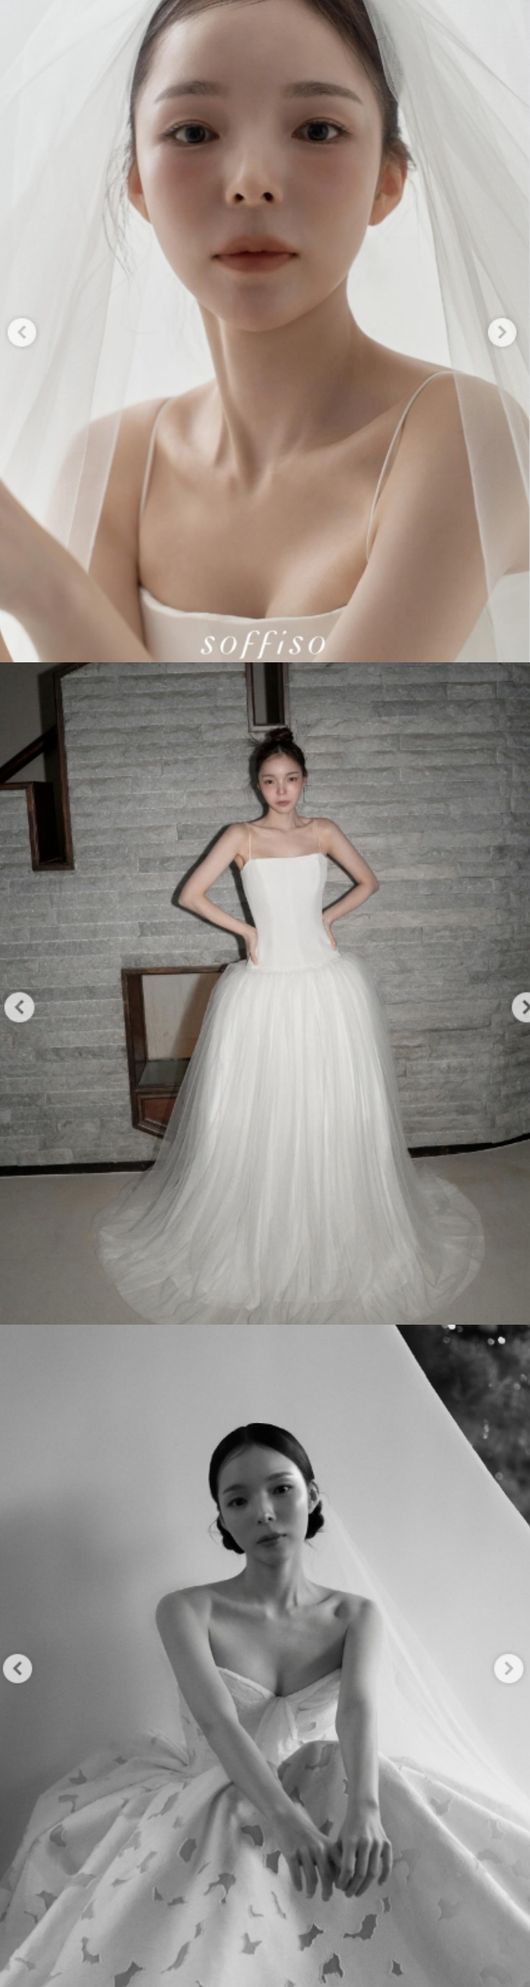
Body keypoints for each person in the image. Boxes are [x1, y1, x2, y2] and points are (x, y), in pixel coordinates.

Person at [0, 0, 527, 665]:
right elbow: (88, 729)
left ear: (388, 181)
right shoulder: (110, 468)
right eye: (194, 132)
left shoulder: (467, 439)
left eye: (317, 129)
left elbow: (331, 732)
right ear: (138, 184)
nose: (252, 183)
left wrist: (46, 590)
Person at [1, 1420, 528, 1985]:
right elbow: (218, 1722)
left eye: (281, 1489)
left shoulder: (355, 1615)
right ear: (222, 1520)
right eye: (239, 1500)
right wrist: (287, 1821)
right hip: (214, 1795)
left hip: (328, 1789)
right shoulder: (186, 1610)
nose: (265, 1512)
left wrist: (365, 1809)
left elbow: (357, 1713)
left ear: (312, 1495)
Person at [96, 725, 484, 1323]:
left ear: (304, 781)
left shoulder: (322, 830)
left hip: (326, 981)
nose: (281, 790)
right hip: (265, 984)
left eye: (291, 779)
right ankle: (260, 1229)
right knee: (265, 1104)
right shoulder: (241, 835)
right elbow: (192, 894)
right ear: (258, 785)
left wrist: (327, 917)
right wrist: (246, 932)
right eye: (270, 780)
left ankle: (339, 1224)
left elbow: (369, 881)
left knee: (331, 1101)